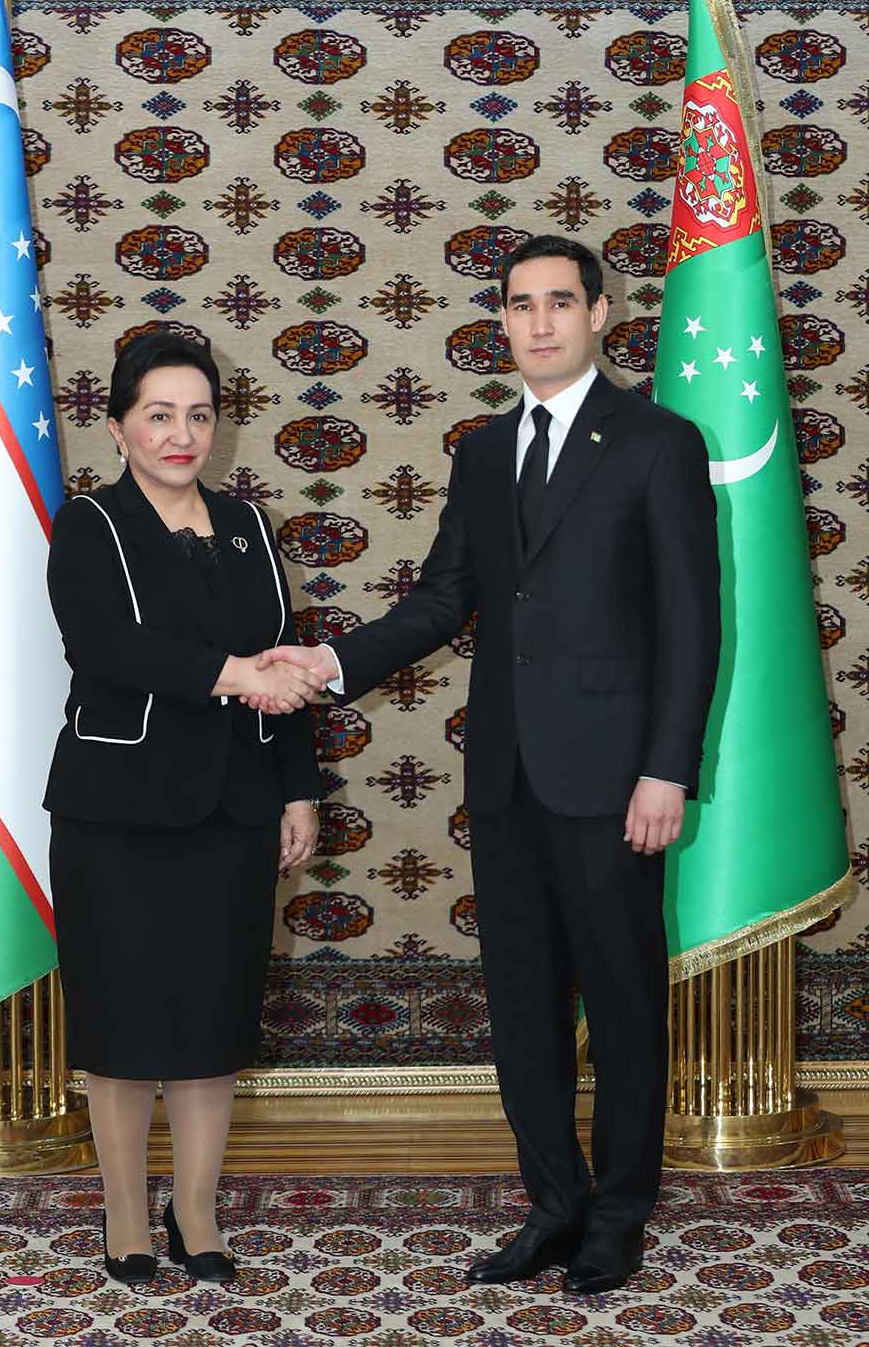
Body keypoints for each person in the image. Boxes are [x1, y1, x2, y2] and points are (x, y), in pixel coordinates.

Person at [250, 236, 721, 1294]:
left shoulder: (658, 443)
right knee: (521, 1004)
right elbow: (441, 599)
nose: (538, 322)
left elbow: (693, 622)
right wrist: (330, 662)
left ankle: (618, 1216)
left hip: (614, 781)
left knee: (624, 1002)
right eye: (519, 305)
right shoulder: (482, 450)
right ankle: (552, 1207)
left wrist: (668, 769)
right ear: (501, 321)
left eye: (559, 302)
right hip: (505, 775)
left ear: (600, 315)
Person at [43, 332, 322, 1286]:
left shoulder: (247, 524)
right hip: (117, 813)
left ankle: (195, 1212)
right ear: (118, 427)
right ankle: (125, 1214)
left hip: (235, 809)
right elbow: (106, 647)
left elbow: (285, 658)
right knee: (122, 1027)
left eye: (198, 415)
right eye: (158, 415)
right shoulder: (89, 524)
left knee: (212, 1025)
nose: (181, 434)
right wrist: (234, 674)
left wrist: (298, 788)